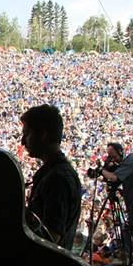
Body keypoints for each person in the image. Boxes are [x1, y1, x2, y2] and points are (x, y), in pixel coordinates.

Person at [20, 104, 81, 250]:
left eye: (27, 133)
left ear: (43, 135)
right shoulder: (54, 173)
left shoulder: (58, 179)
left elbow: (50, 240)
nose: (23, 141)